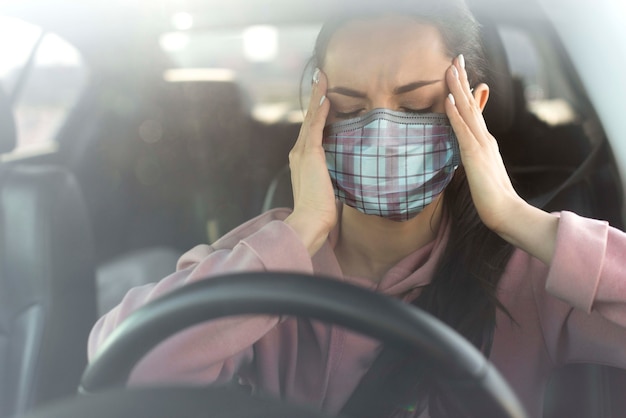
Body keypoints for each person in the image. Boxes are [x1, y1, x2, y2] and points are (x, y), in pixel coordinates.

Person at [87, 1, 626, 417]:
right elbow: (120, 360)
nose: (383, 137)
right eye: (349, 108)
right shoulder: (266, 257)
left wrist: (516, 218)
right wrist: (298, 234)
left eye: (416, 105)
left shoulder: (526, 267)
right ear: (317, 119)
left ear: (472, 110)